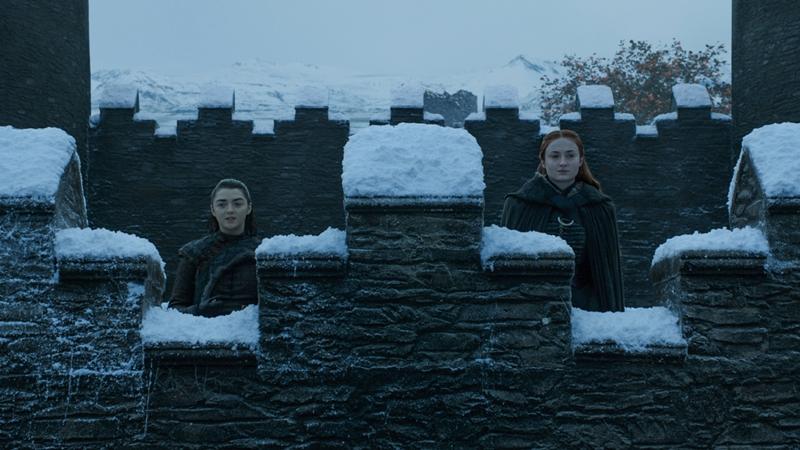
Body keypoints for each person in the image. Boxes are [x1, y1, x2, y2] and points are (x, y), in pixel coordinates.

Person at [501, 129, 625, 312]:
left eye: (570, 155)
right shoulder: (519, 205)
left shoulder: (600, 208)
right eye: (555, 156)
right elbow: (507, 272)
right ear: (543, 161)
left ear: (580, 160)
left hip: (588, 310)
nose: (563, 163)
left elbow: (608, 274)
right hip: (531, 310)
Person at [168, 178, 260, 317]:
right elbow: (174, 310)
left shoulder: (264, 253)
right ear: (213, 209)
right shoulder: (194, 252)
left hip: (251, 328)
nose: (230, 210)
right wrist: (198, 311)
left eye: (237, 204)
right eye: (222, 204)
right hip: (204, 329)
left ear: (248, 208)